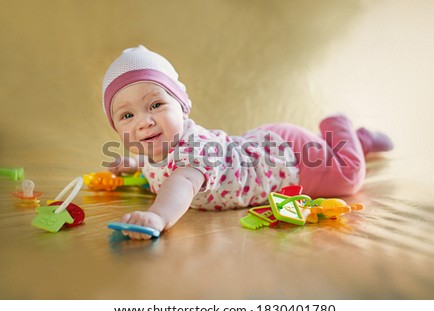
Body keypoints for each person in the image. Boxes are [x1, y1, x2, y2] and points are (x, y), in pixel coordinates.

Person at [102, 45, 393, 240]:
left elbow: (181, 183)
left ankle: (341, 126)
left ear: (182, 106)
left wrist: (156, 217)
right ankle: (345, 143)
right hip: (261, 145)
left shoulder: (196, 155)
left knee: (348, 177)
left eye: (155, 105)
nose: (143, 121)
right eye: (127, 115)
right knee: (330, 156)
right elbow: (163, 164)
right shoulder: (158, 147)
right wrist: (136, 164)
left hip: (290, 160)